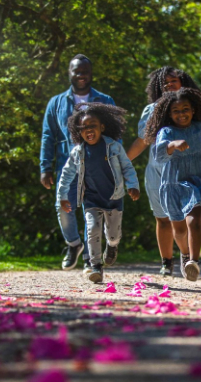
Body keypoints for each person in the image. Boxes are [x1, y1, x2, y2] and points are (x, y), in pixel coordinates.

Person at [126, 67, 201, 276]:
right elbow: (143, 141)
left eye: (173, 80)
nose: (169, 85)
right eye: (164, 82)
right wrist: (123, 163)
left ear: (183, 83)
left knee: (190, 218)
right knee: (165, 219)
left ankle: (189, 258)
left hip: (192, 173)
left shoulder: (195, 110)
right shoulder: (153, 111)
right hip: (161, 172)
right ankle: (167, 261)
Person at [40, 54, 115, 270]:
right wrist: (45, 167)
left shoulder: (105, 101)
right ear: (69, 73)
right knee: (63, 207)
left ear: (91, 74)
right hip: (67, 165)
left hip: (98, 166)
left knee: (93, 212)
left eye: (85, 71)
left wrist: (114, 162)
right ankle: (74, 244)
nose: (81, 75)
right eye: (77, 71)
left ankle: (91, 259)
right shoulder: (56, 103)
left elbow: (116, 134)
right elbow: (48, 136)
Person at [57, 103, 141, 283]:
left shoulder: (113, 147)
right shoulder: (78, 152)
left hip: (114, 198)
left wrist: (133, 185)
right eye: (84, 127)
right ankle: (95, 265)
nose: (88, 130)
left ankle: (112, 246)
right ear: (79, 131)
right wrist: (62, 197)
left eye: (92, 125)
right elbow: (66, 174)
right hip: (91, 199)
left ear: (102, 127)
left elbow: (127, 167)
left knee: (113, 234)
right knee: (92, 230)